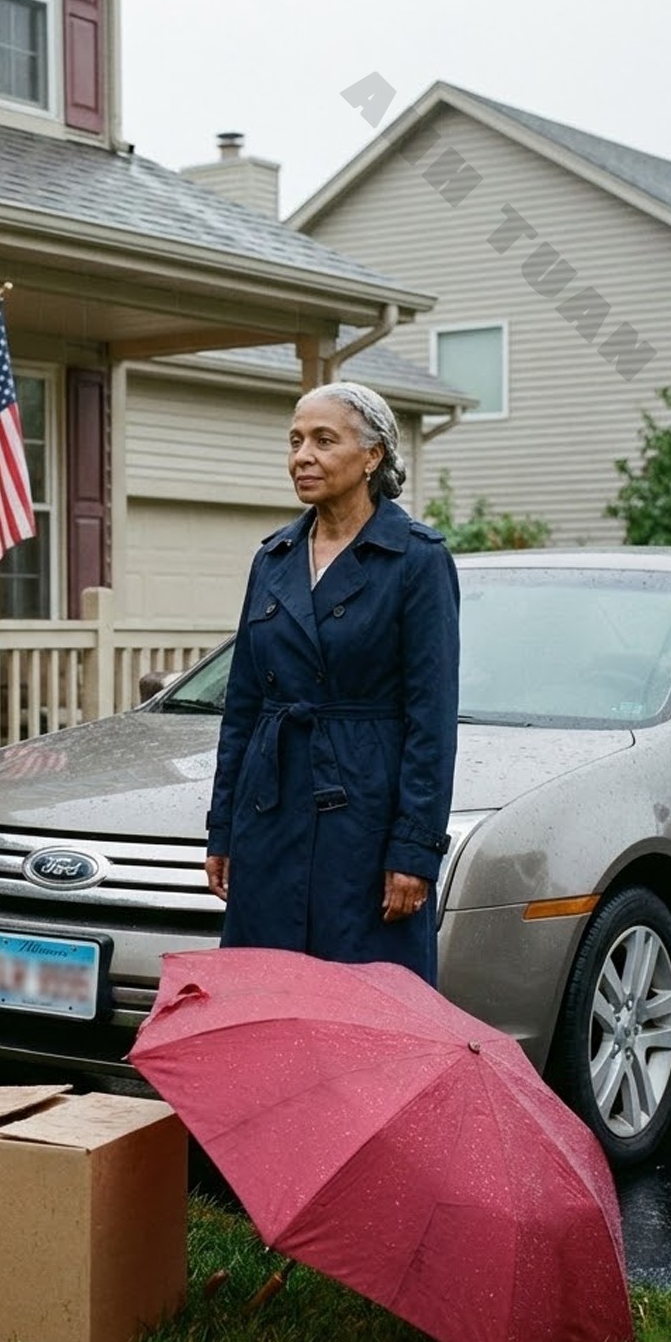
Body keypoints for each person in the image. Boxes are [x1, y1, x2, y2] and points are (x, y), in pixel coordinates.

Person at [204, 381, 459, 984]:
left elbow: (431, 719)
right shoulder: (273, 558)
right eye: (295, 441)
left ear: (372, 456)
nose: (303, 455)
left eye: (324, 440)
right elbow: (242, 705)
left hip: (365, 818)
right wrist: (223, 829)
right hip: (270, 811)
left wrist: (413, 851)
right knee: (266, 992)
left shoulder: (416, 559)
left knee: (366, 999)